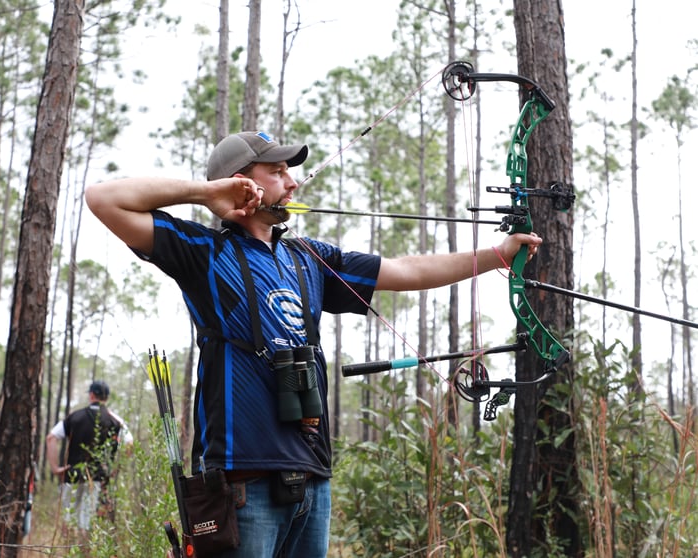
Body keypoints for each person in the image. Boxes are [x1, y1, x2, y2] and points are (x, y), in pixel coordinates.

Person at [84, 130, 542, 556]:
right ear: (242, 182)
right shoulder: (203, 251)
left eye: (290, 171)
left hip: (312, 476)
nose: (293, 182)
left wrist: (498, 255)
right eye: (278, 172)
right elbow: (103, 199)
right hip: (242, 480)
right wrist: (206, 194)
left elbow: (408, 270)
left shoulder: (309, 257)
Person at [46, 380, 134, 532]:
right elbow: (130, 443)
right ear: (106, 398)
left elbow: (51, 438)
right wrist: (114, 468)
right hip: (97, 479)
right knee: (86, 523)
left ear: (91, 395)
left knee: (68, 519)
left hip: (71, 475)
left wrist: (55, 468)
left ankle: (67, 552)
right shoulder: (115, 420)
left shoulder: (75, 417)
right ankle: (84, 553)